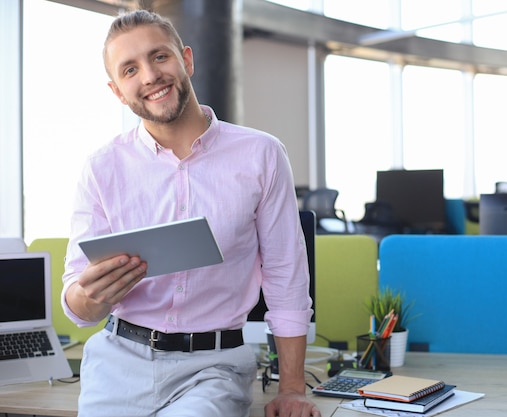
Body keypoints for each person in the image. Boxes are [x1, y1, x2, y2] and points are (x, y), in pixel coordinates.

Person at [61, 9, 320, 417]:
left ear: (187, 60)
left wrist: (291, 387)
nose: (149, 76)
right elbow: (77, 307)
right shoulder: (101, 168)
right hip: (117, 366)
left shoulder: (262, 154)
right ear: (118, 91)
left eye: (159, 57)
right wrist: (91, 296)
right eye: (130, 70)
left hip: (213, 371)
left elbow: (286, 278)